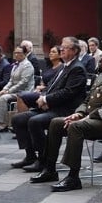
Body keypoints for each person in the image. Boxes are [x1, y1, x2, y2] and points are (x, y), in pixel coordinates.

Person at [31, 40, 102, 191]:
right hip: (94, 119)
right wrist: (78, 113)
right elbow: (87, 100)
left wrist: (88, 117)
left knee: (76, 127)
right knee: (56, 123)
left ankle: (73, 176)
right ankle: (50, 168)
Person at [10, 37, 88, 168]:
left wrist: (46, 99)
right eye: (61, 47)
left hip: (65, 110)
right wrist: (44, 97)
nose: (61, 49)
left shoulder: (77, 68)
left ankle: (44, 159)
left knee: (35, 121)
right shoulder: (64, 66)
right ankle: (30, 156)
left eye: (65, 47)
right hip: (52, 106)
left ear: (74, 51)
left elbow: (68, 92)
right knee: (18, 119)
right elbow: (52, 87)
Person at [0, 45, 35, 132]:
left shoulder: (27, 65)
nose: (16, 55)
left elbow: (23, 83)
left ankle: (3, 124)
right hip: (14, 90)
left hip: (24, 91)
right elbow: (11, 80)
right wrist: (4, 89)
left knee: (3, 98)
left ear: (25, 53)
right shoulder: (15, 65)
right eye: (15, 53)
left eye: (19, 53)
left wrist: (8, 91)